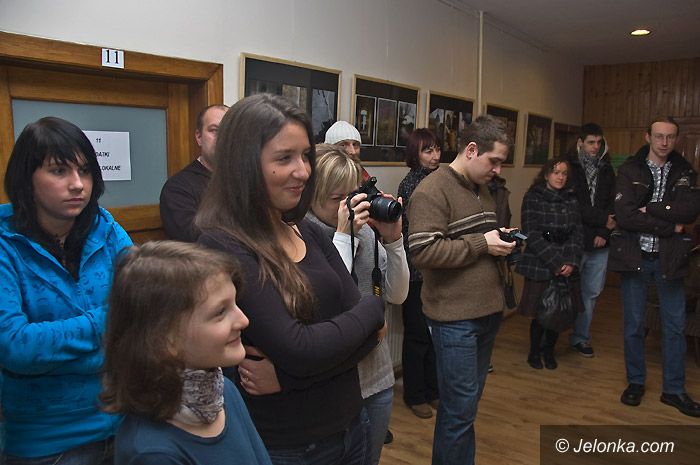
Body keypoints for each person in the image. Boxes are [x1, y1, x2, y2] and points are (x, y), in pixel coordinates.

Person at [195, 93, 386, 464]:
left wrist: (290, 378)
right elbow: (300, 349)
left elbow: (373, 335)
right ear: (244, 164)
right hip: (293, 447)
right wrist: (371, 309)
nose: (303, 171)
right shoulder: (223, 245)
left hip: (352, 425)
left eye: (305, 156)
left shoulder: (307, 231)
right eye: (284, 158)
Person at [0, 117, 132, 463]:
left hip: (126, 422)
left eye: (85, 171)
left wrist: (60, 355)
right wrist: (108, 326)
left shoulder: (106, 229)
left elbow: (146, 310)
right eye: (59, 171)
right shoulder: (5, 245)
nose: (77, 184)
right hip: (48, 442)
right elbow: (15, 347)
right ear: (26, 178)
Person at [101, 241, 272, 464]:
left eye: (235, 303)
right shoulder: (152, 453)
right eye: (220, 312)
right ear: (165, 339)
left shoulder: (225, 391)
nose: (243, 320)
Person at [407, 115, 515, 465]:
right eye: (493, 161)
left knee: (464, 409)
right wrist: (483, 244)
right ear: (471, 150)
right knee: (459, 413)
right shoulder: (431, 191)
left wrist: (503, 242)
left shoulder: (481, 188)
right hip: (455, 320)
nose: (497, 170)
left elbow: (478, 241)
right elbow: (423, 252)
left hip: (487, 314)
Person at [306, 146, 409, 465]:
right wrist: (344, 235)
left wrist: (394, 240)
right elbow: (326, 303)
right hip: (332, 389)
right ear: (310, 196)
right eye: (337, 198)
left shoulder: (364, 231)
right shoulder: (303, 237)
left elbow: (397, 295)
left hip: (376, 379)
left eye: (352, 195)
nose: (348, 206)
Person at [610, 116, 700, 417]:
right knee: (634, 326)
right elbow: (625, 216)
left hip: (670, 260)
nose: (664, 142)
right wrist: (669, 226)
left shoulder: (685, 171)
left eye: (670, 137)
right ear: (647, 137)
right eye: (659, 136)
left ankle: (673, 390)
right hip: (635, 258)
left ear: (677, 139)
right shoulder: (630, 169)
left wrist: (652, 208)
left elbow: (689, 211)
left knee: (674, 328)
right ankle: (635, 382)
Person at [516, 158, 583, 370]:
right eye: (556, 172)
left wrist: (570, 261)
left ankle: (549, 351)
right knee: (540, 312)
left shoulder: (571, 198)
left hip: (567, 263)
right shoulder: (533, 197)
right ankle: (534, 352)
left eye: (564, 173)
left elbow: (578, 232)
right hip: (541, 262)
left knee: (559, 311)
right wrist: (556, 262)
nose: (560, 177)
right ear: (546, 175)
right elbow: (530, 233)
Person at [397, 128, 441, 419]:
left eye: (437, 149)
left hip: (437, 271)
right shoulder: (410, 184)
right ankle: (415, 395)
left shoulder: (440, 179)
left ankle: (432, 390)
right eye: (428, 150)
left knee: (435, 335)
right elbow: (415, 231)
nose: (435, 156)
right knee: (417, 337)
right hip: (415, 271)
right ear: (415, 154)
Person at [564, 123, 616, 357]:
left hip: (600, 241)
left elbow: (613, 204)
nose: (595, 147)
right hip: (574, 240)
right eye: (591, 142)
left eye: (599, 142)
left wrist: (604, 232)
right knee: (564, 290)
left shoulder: (606, 168)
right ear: (580, 143)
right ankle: (552, 337)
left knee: (591, 293)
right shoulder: (568, 167)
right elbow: (574, 206)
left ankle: (580, 337)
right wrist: (603, 219)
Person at [159, 104, 228, 242]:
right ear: (199, 137)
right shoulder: (178, 188)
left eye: (229, 130)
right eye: (214, 130)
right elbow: (196, 240)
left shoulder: (247, 180)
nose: (223, 137)